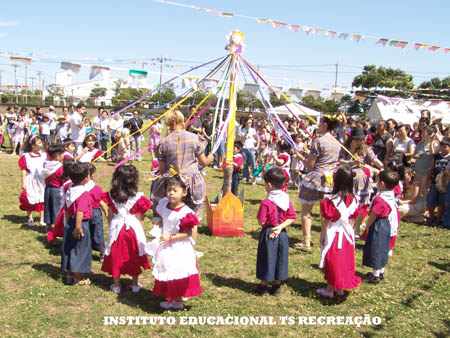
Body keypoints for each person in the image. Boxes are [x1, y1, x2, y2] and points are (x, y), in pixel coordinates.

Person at [147, 175, 202, 309]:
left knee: (178, 271)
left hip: (178, 246)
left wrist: (170, 238)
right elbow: (165, 217)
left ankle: (177, 300)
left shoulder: (185, 213)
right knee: (168, 269)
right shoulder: (165, 204)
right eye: (169, 190)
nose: (171, 193)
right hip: (167, 245)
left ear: (184, 193)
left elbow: (188, 233)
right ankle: (172, 296)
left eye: (175, 190)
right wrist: (161, 223)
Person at [151, 110, 214, 220]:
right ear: (182, 121)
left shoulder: (164, 142)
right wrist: (211, 158)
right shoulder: (194, 138)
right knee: (192, 217)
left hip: (172, 184)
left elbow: (162, 170)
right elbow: (203, 162)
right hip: (192, 184)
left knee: (171, 215)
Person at [101, 164, 151, 294]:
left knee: (116, 254)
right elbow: (140, 217)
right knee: (134, 254)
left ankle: (116, 285)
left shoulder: (111, 196)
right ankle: (135, 284)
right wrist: (140, 228)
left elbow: (110, 215)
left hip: (117, 227)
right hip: (133, 229)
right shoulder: (138, 198)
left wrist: (111, 227)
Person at [296, 116, 341, 250]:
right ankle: (324, 240)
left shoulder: (318, 141)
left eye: (320, 124)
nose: (318, 126)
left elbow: (310, 164)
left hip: (316, 178)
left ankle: (306, 242)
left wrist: (300, 157)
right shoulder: (337, 143)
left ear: (325, 125)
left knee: (306, 210)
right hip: (330, 180)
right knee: (325, 212)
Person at [317, 166, 362, 298]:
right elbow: (353, 219)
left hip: (334, 233)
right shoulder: (354, 200)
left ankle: (330, 289)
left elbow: (326, 221)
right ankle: (339, 287)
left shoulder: (331, 201)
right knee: (344, 260)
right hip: (347, 233)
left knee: (333, 260)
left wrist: (322, 236)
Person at [253, 168, 296, 296]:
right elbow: (292, 217)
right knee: (280, 258)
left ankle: (263, 286)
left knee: (267, 257)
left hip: (269, 233)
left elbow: (261, 221)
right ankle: (277, 286)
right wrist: (281, 227)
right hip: (282, 233)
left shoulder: (266, 202)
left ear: (269, 185)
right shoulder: (286, 199)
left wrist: (272, 225)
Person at [339, 127, 384, 237]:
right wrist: (351, 163)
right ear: (351, 139)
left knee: (360, 205)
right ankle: (345, 225)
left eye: (361, 140)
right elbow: (340, 161)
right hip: (348, 179)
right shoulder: (345, 148)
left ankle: (356, 229)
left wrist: (382, 167)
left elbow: (373, 159)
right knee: (348, 204)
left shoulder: (365, 149)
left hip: (362, 181)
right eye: (357, 139)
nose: (359, 142)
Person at [362, 170, 400, 284]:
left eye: (377, 181)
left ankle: (375, 275)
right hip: (386, 224)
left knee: (376, 248)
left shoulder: (380, 199)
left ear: (382, 184)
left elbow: (373, 214)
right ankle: (381, 270)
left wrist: (367, 226)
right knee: (384, 247)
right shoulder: (391, 196)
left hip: (378, 224)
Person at [61, 162, 93, 286]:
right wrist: (78, 227)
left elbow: (66, 208)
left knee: (70, 248)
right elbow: (80, 210)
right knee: (80, 249)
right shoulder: (83, 194)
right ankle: (79, 277)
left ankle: (69, 274)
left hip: (70, 222)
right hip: (80, 224)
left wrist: (68, 223)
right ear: (85, 178)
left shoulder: (70, 189)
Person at [18, 135, 47, 227]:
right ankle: (30, 218)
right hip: (31, 180)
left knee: (42, 198)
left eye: (41, 142)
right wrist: (23, 183)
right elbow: (23, 170)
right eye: (38, 143)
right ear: (32, 145)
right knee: (30, 198)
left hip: (42, 180)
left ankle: (42, 218)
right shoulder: (26, 156)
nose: (41, 145)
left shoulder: (43, 155)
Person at [85, 163, 108, 261]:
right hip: (94, 213)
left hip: (83, 213)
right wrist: (107, 213)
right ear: (93, 176)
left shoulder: (78, 188)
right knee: (97, 232)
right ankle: (102, 252)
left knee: (86, 232)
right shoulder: (96, 189)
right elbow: (101, 203)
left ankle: (86, 251)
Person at [426, 139, 450, 226]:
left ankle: (439, 219)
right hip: (434, 182)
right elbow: (431, 169)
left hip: (445, 184)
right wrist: (427, 179)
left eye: (445, 147)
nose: (443, 149)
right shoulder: (436, 156)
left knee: (442, 202)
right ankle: (431, 218)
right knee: (430, 200)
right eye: (441, 147)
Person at [42, 144, 65, 232]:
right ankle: (56, 225)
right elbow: (62, 178)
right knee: (56, 208)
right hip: (57, 189)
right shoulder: (59, 168)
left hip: (48, 188)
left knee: (48, 207)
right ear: (58, 156)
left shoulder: (46, 164)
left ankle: (48, 224)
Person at [239, 117, 260, 182]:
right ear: (245, 122)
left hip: (251, 148)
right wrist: (244, 135)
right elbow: (240, 140)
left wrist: (257, 146)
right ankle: (245, 176)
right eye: (248, 122)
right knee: (245, 163)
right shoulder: (242, 130)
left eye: (250, 122)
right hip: (245, 148)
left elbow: (257, 138)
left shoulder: (253, 130)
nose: (249, 124)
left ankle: (254, 178)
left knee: (253, 163)